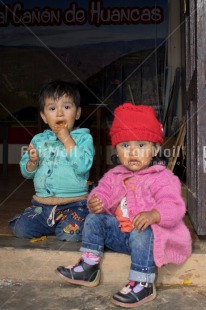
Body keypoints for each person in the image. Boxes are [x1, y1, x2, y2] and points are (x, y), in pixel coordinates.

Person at [55, 103, 192, 307]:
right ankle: (89, 266)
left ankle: (143, 282)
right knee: (94, 218)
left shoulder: (163, 178)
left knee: (142, 231)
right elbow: (102, 191)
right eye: (125, 146)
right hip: (121, 236)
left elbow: (174, 206)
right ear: (116, 149)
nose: (133, 152)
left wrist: (155, 215)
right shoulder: (115, 175)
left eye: (141, 146)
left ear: (155, 149)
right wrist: (97, 201)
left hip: (150, 240)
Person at [8, 80, 95, 242]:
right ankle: (51, 223)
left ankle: (80, 221)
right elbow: (27, 173)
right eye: (52, 108)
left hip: (74, 205)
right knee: (21, 228)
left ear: (77, 113)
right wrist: (32, 162)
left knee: (70, 234)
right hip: (42, 207)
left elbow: (82, 167)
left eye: (67, 107)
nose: (60, 113)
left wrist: (67, 139)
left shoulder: (84, 138)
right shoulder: (39, 139)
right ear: (44, 116)